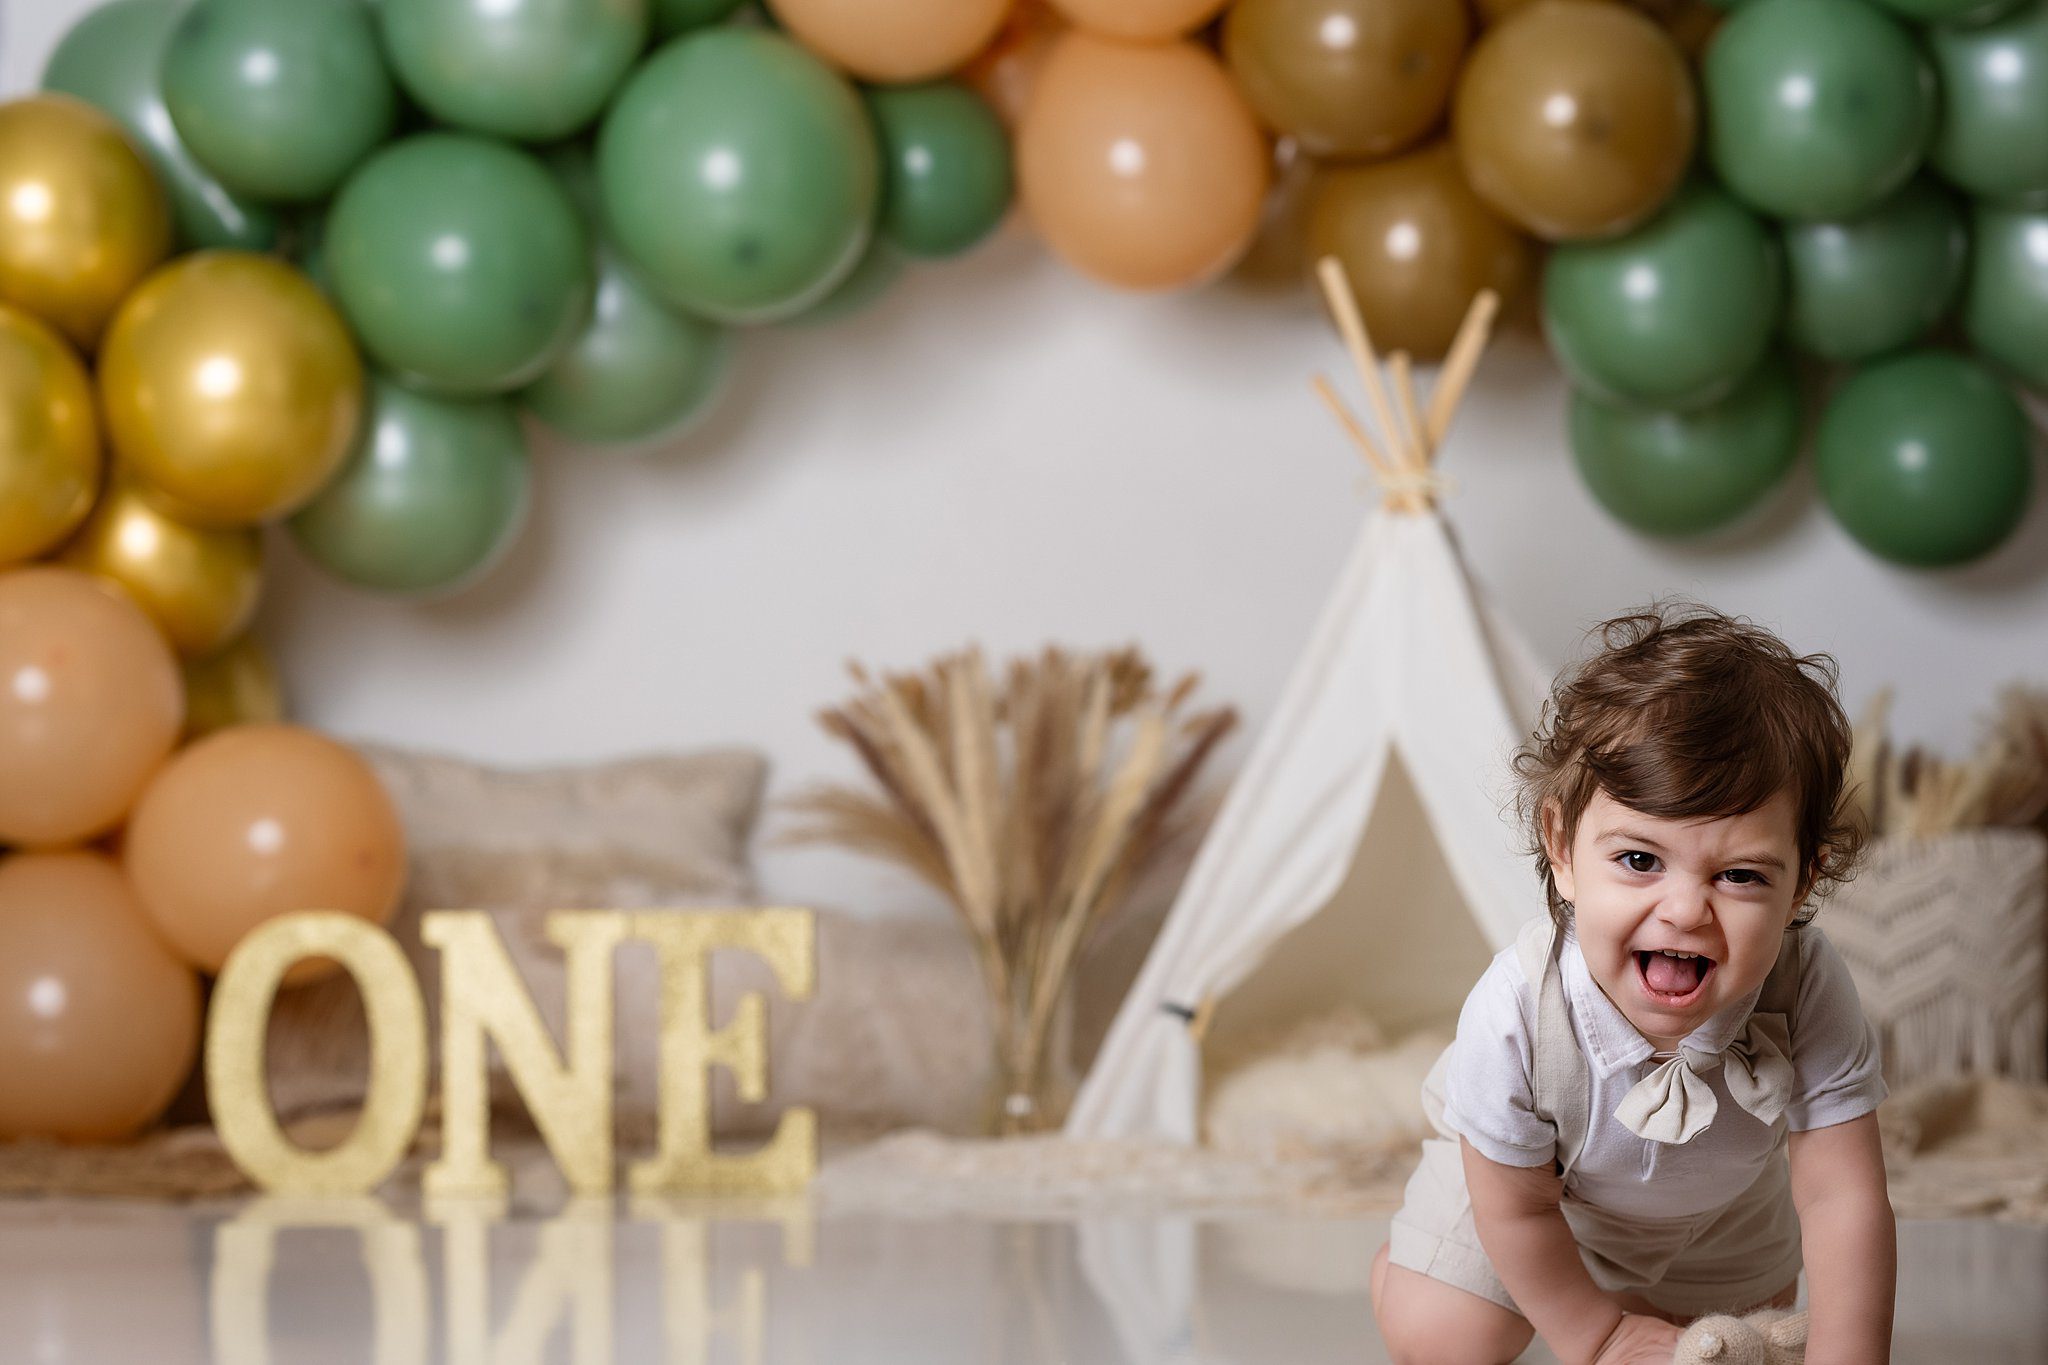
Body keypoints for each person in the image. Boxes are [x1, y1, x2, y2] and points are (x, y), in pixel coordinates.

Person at [1369, 600, 1895, 1365]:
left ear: (1803, 880)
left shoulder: (1807, 984)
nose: (1684, 910)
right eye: (1640, 859)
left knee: (1733, 1351)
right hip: (1537, 1198)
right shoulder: (1517, 1006)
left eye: (1741, 874)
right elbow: (1515, 1209)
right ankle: (1421, 1268)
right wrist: (1596, 1332)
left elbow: (1841, 1196)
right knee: (1442, 1337)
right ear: (1561, 847)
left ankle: (1645, 1298)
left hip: (1725, 1211)